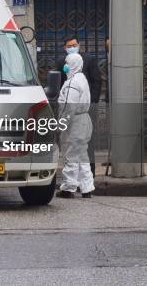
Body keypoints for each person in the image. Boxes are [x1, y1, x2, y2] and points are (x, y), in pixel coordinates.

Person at [56, 36, 102, 175]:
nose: (72, 48)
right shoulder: (62, 63)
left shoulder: (87, 61)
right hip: (71, 112)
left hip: (82, 111)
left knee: (83, 147)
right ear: (65, 48)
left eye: (74, 45)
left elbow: (96, 81)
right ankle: (83, 182)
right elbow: (58, 84)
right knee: (73, 149)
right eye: (69, 46)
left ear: (79, 45)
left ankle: (78, 181)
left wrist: (91, 102)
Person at [56, 53, 95, 198]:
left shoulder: (72, 83)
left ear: (72, 64)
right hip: (84, 120)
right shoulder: (82, 78)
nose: (65, 65)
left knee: (70, 155)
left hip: (75, 123)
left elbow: (68, 107)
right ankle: (87, 188)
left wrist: (61, 125)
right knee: (82, 156)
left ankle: (68, 188)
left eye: (67, 62)